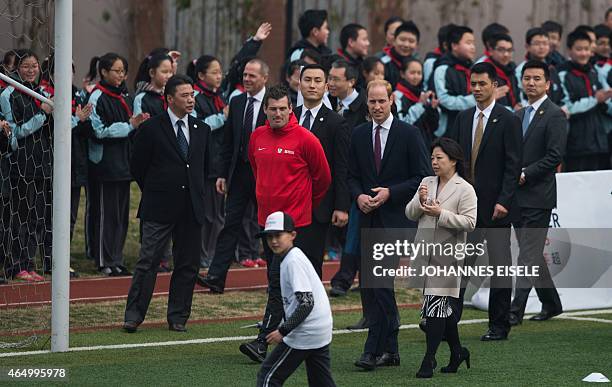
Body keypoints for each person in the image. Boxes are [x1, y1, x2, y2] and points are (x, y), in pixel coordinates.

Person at [239, 84, 331, 363]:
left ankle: (264, 341)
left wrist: (304, 207)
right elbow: (256, 170)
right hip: (268, 226)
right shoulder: (256, 137)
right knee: (277, 283)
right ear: (265, 110)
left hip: (297, 227)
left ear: (291, 109)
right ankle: (288, 339)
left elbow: (323, 178)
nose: (277, 113)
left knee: (285, 286)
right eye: (272, 109)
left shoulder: (306, 139)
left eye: (282, 108)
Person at [351, 80, 430, 370]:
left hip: (397, 220)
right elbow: (351, 175)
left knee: (379, 284)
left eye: (382, 101)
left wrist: (390, 193)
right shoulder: (359, 135)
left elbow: (422, 176)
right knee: (372, 288)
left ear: (392, 100)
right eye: (372, 102)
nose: (377, 107)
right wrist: (358, 195)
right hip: (368, 218)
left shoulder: (409, 134)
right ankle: (392, 349)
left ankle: (372, 351)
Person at [123, 74, 210, 333]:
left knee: (187, 264)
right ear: (169, 99)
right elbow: (137, 166)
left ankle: (178, 317)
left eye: (192, 94)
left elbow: (203, 168)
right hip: (158, 206)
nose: (190, 99)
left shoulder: (202, 130)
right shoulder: (151, 129)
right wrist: (156, 188)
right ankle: (134, 315)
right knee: (148, 260)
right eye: (184, 95)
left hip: (191, 207)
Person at [447, 62, 523, 341]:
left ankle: (499, 325)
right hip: (465, 208)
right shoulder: (462, 118)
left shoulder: (509, 119)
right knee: (458, 267)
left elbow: (514, 165)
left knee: (499, 267)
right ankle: (446, 322)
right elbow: (452, 161)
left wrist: (504, 200)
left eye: (482, 84)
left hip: (497, 209)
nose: (477, 89)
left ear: (495, 85)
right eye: (473, 84)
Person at [405, 137, 476, 378]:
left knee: (434, 308)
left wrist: (441, 213)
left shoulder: (465, 189)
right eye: (433, 158)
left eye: (439, 158)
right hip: (425, 253)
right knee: (440, 308)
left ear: (453, 160)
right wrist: (421, 201)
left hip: (448, 256)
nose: (434, 162)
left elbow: (470, 223)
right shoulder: (426, 182)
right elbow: (410, 213)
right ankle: (457, 351)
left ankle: (429, 360)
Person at [196, 58, 269, 293]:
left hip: (265, 175)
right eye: (245, 75)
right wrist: (221, 174)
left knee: (269, 227)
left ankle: (276, 281)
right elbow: (228, 142)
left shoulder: (275, 102)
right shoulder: (237, 103)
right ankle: (216, 277)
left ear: (264, 78)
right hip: (238, 174)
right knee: (230, 226)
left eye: (252, 76)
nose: (246, 79)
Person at [509, 60, 567, 326]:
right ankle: (552, 303)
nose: (530, 83)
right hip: (516, 196)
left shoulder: (554, 114)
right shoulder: (518, 114)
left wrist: (525, 173)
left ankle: (514, 311)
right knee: (530, 253)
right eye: (527, 78)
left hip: (538, 195)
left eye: (536, 79)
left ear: (548, 84)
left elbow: (554, 156)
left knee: (527, 255)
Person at [85, 53, 149, 276]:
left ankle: (117, 258)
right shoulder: (97, 97)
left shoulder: (124, 96)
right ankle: (104, 260)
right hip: (105, 166)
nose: (121, 76)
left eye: (123, 71)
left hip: (123, 165)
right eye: (116, 71)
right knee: (106, 214)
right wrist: (129, 125)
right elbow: (97, 131)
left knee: (121, 216)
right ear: (103, 72)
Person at [255, 211, 335, 387]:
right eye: (269, 237)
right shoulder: (292, 256)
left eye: (278, 235)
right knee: (321, 382)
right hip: (320, 328)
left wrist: (283, 330)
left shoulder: (292, 261)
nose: (274, 241)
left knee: (268, 377)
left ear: (292, 235)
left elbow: (306, 303)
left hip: (306, 331)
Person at [293, 64, 350, 277]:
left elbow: (341, 167)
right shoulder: (289, 116)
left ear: (326, 86)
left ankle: (312, 307)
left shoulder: (337, 122)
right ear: (299, 84)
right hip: (289, 200)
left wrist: (341, 206)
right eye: (307, 80)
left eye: (318, 81)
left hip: (319, 204)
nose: (312, 85)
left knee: (312, 261)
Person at [0, 49, 51, 282]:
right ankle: (16, 264)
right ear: (16, 69)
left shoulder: (42, 93)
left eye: (35, 66)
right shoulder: (9, 94)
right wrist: (42, 115)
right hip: (21, 164)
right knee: (19, 216)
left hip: (42, 163)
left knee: (36, 217)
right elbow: (15, 133)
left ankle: (29, 263)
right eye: (26, 66)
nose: (31, 70)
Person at [40, 53, 92, 278]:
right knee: (51, 213)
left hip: (76, 161)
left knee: (70, 215)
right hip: (52, 161)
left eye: (70, 70)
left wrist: (80, 122)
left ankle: (64, 259)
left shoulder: (78, 94)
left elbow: (86, 129)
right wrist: (76, 121)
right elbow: (51, 128)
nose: (66, 75)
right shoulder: (44, 94)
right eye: (60, 70)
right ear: (50, 73)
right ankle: (49, 259)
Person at [189, 55, 230, 269]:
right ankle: (202, 253)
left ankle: (213, 252)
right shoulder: (195, 97)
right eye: (214, 72)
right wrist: (221, 117)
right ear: (201, 75)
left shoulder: (219, 96)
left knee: (217, 215)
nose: (219, 76)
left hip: (218, 163)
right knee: (206, 214)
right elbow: (195, 126)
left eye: (220, 72)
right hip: (203, 164)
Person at [557, 29, 611, 171]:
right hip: (576, 143)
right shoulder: (562, 74)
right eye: (579, 49)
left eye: (587, 49)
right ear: (569, 50)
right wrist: (595, 100)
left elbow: (605, 98)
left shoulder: (594, 72)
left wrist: (605, 102)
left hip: (600, 142)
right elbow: (567, 107)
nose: (584, 53)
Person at [433, 25, 477, 137]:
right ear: (454, 45)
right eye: (468, 43)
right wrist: (475, 99)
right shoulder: (443, 69)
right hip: (447, 131)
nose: (473, 47)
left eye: (473, 43)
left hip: (469, 128)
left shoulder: (472, 69)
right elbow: (444, 100)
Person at [394, 58, 439, 148]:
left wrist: (432, 109)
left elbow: (433, 127)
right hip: (406, 145)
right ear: (402, 74)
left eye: (419, 73)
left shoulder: (422, 94)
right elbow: (401, 124)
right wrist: (420, 105)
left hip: (424, 145)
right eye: (412, 73)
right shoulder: (396, 96)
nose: (416, 76)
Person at [515, 28, 563, 106]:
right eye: (537, 44)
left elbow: (560, 95)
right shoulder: (521, 70)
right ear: (527, 46)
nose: (541, 47)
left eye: (545, 43)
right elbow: (521, 98)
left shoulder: (552, 68)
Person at [483, 34, 521, 110]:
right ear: (490, 51)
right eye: (501, 50)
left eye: (509, 50)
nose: (506, 54)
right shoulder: (484, 71)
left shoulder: (512, 69)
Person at [327, 60, 369, 129]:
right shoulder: (325, 101)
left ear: (351, 82)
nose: (331, 83)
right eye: (330, 78)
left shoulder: (366, 105)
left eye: (336, 79)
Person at [381, 21, 420, 89]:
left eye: (411, 41)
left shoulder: (417, 64)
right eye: (402, 40)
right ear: (394, 41)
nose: (406, 45)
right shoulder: (382, 63)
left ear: (416, 45)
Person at [336, 23, 370, 88]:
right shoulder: (338, 65)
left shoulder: (362, 64)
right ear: (351, 42)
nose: (368, 43)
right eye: (364, 39)